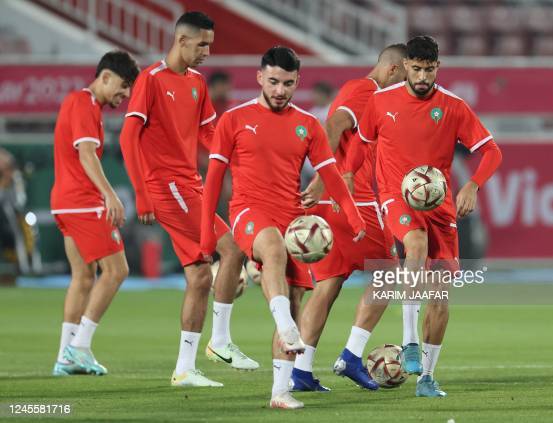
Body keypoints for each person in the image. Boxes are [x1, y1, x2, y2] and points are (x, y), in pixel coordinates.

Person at [334, 35, 502, 397]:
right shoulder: (381, 101)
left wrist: (472, 184)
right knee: (415, 244)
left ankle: (426, 377)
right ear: (406, 66)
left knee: (440, 298)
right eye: (417, 68)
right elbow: (362, 143)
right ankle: (409, 340)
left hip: (439, 205)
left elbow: (492, 152)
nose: (423, 75)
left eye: (429, 69)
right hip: (397, 196)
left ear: (437, 67)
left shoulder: (453, 106)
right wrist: (347, 175)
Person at [200, 46, 366, 409]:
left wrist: (353, 216)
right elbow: (213, 179)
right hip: (248, 211)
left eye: (288, 83)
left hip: (293, 218)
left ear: (297, 82)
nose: (280, 90)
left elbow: (331, 177)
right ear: (260, 77)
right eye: (273, 81)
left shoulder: (308, 125)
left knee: (294, 300)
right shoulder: (234, 119)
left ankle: (279, 392)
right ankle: (287, 327)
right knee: (273, 249)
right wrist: (204, 234)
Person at [119, 11, 258, 388]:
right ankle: (221, 340)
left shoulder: (196, 83)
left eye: (209, 45)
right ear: (181, 41)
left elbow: (208, 132)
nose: (207, 52)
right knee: (232, 248)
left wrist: (238, 161)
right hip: (166, 187)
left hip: (189, 185)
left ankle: (185, 368)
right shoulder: (150, 80)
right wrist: (141, 191)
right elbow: (128, 137)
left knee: (199, 277)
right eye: (202, 44)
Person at [294, 44, 415, 392]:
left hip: (335, 200)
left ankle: (300, 371)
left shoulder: (365, 93)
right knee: (389, 274)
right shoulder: (365, 91)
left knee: (328, 285)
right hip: (354, 200)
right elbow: (332, 125)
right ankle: (352, 354)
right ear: (393, 70)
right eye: (405, 77)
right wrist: (320, 178)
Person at [50, 50, 139, 376]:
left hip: (64, 202)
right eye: (123, 85)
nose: (126, 94)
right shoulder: (85, 104)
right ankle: (80, 346)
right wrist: (110, 195)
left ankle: (64, 357)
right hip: (83, 202)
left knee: (84, 277)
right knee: (117, 271)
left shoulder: (81, 104)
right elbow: (86, 153)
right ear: (104, 77)